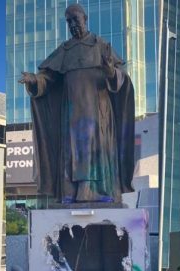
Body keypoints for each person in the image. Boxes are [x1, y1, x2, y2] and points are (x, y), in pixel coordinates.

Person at [18, 4, 135, 203]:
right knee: (70, 152)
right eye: (68, 21)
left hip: (97, 112)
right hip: (71, 113)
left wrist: (110, 71)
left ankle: (97, 191)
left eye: (75, 19)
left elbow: (121, 78)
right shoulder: (64, 50)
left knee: (95, 151)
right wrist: (34, 80)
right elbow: (48, 77)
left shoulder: (101, 46)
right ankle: (70, 192)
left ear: (85, 18)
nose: (72, 24)